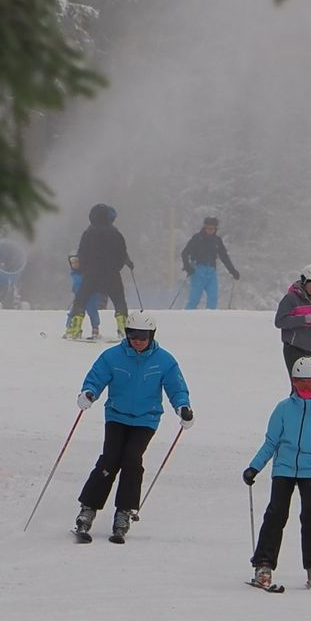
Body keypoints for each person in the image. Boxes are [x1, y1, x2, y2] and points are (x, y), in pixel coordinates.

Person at [72, 310, 193, 543]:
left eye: (143, 337)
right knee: (110, 459)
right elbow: (96, 378)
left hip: (146, 419)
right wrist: (89, 393)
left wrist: (182, 407)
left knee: (132, 459)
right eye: (134, 336)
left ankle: (124, 512)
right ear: (127, 335)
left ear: (152, 336)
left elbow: (177, 388)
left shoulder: (164, 361)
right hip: (116, 416)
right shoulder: (112, 357)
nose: (138, 342)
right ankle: (88, 508)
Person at [243, 356, 311, 592]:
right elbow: (270, 443)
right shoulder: (283, 409)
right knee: (276, 513)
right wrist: (254, 467)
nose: (306, 389)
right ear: (293, 382)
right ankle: (263, 565)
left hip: (310, 471)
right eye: (301, 383)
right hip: (284, 469)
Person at [65, 204, 132, 340]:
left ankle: (75, 327)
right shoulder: (116, 234)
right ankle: (122, 326)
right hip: (112, 274)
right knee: (119, 300)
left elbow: (82, 254)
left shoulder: (88, 233)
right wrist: (115, 268)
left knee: (81, 300)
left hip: (92, 274)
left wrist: (85, 269)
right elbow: (122, 255)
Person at [275, 264, 311, 373]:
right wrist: (304, 319)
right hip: (295, 351)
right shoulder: (290, 299)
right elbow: (279, 321)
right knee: (300, 387)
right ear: (305, 281)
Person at [180, 216, 240, 310]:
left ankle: (209, 319)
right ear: (204, 227)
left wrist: (232, 270)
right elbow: (185, 253)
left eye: (213, 228)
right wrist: (187, 267)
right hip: (197, 270)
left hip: (211, 271)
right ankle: (187, 318)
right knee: (194, 299)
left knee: (213, 298)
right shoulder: (197, 238)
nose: (210, 230)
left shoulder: (217, 240)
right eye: (208, 228)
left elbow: (224, 256)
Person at [65, 253, 105, 340]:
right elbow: (76, 284)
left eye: (76, 262)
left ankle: (95, 329)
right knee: (74, 311)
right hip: (79, 297)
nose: (75, 264)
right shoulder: (74, 273)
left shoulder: (85, 273)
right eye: (72, 263)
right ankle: (71, 328)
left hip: (91, 296)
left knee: (92, 311)